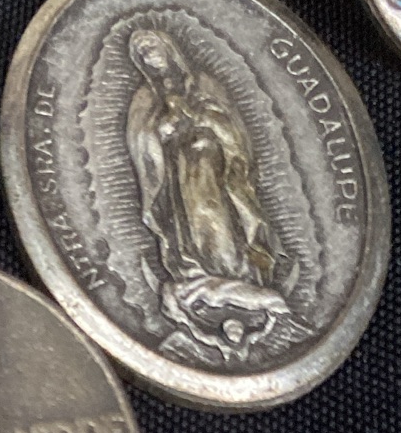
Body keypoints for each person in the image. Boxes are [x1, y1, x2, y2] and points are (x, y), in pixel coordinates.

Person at [125, 23, 298, 359]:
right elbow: (141, 140)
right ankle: (198, 273)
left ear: (168, 48)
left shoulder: (204, 84)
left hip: (212, 161)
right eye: (142, 53)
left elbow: (232, 126)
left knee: (219, 216)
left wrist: (203, 118)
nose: (149, 55)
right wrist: (161, 130)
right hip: (178, 169)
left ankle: (240, 274)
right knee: (190, 223)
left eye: (152, 47)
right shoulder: (145, 97)